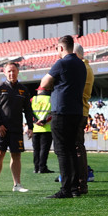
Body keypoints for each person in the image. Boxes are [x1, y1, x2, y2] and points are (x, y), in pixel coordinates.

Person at [40, 35, 87, 199]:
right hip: (76, 111)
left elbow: (44, 83)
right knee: (72, 150)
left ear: (61, 48)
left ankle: (66, 188)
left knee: (62, 151)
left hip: (61, 111)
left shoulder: (62, 63)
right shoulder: (81, 64)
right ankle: (74, 188)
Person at [0, 62, 34, 194]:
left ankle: (17, 185)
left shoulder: (23, 89)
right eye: (9, 71)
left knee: (16, 155)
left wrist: (30, 127)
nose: (11, 73)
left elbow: (28, 110)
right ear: (4, 73)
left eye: (13, 71)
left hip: (16, 129)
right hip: (1, 129)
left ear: (18, 71)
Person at [72, 43, 95, 197]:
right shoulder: (85, 67)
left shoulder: (81, 68)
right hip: (81, 110)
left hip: (77, 111)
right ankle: (79, 181)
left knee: (77, 148)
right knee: (77, 147)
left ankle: (80, 183)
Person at [31, 87, 54, 174]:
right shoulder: (51, 99)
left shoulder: (33, 99)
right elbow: (53, 113)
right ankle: (42, 168)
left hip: (35, 128)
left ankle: (36, 168)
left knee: (36, 150)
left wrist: (36, 121)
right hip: (47, 128)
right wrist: (45, 121)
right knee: (44, 150)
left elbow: (29, 111)